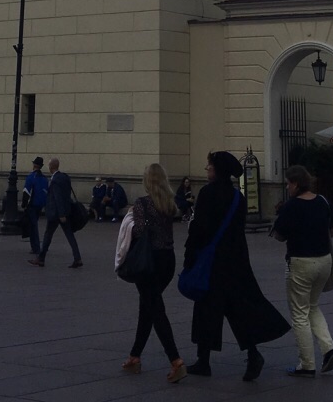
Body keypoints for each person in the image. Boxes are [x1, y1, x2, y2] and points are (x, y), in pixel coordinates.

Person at [183, 150, 287, 381]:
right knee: (238, 310)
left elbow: (199, 230)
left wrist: (189, 258)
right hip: (235, 260)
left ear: (217, 170)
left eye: (209, 166)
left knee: (206, 310)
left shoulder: (208, 193)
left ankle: (203, 361)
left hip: (212, 263)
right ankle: (252, 354)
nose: (206, 170)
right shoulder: (237, 197)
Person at [270, 164, 333, 377]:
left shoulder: (291, 207)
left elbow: (279, 235)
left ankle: (307, 364)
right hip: (324, 261)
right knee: (312, 306)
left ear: (296, 184)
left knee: (299, 313)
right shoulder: (323, 201)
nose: (287, 187)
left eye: (289, 183)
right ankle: (329, 350)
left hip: (300, 262)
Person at [120, 163, 187, 383]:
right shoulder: (169, 203)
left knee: (155, 310)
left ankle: (175, 360)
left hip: (148, 261)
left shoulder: (142, 204)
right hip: (167, 260)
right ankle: (134, 357)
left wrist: (130, 217)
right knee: (147, 306)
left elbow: (139, 231)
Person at [29, 157, 82, 269]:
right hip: (65, 211)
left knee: (48, 235)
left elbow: (57, 197)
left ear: (51, 167)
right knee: (69, 235)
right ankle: (77, 258)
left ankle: (41, 259)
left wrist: (61, 214)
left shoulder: (55, 180)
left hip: (56, 213)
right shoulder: (65, 177)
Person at [23, 156, 49, 256]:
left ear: (34, 165)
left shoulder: (31, 177)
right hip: (41, 204)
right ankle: (35, 247)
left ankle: (36, 247)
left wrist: (24, 204)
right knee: (34, 224)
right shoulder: (44, 179)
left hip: (32, 204)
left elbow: (26, 192)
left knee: (33, 226)